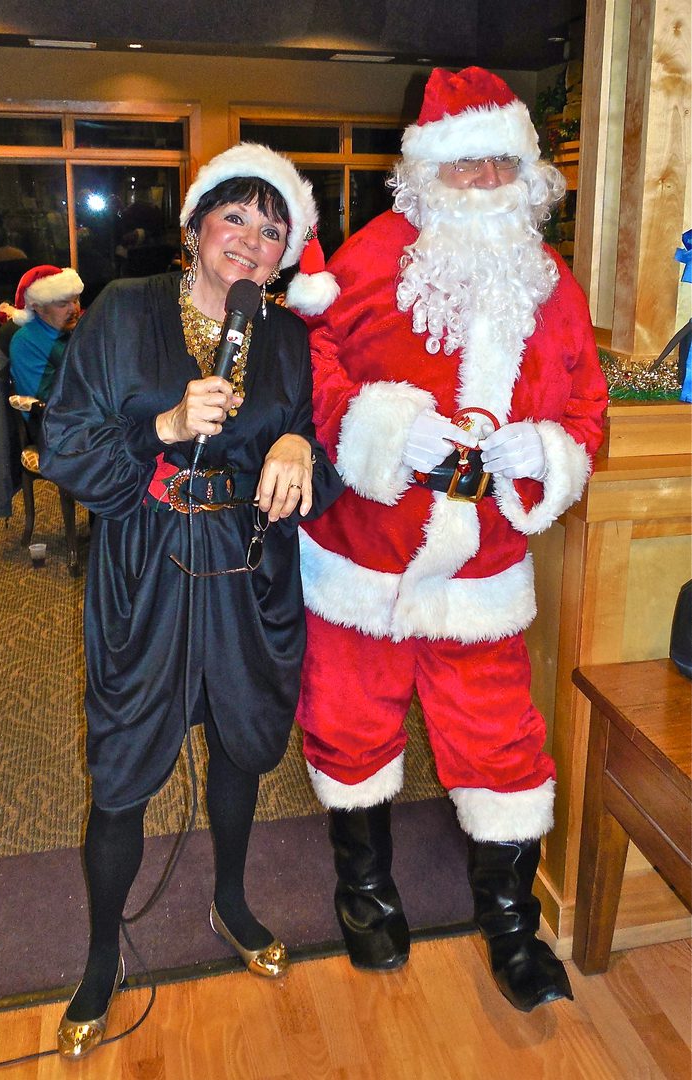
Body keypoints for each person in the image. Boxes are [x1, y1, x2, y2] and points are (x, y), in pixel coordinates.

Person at [293, 67, 609, 1012]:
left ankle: (512, 928)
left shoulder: (548, 280)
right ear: (426, 171)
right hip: (365, 561)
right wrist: (377, 422)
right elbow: (308, 364)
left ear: (526, 172)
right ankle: (365, 891)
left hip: (482, 571)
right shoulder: (369, 255)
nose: (480, 179)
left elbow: (588, 408)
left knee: (503, 748)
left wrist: (546, 450)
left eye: (498, 163)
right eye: (461, 162)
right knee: (349, 732)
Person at [39, 142, 344, 1060]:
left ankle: (233, 900)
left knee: (242, 738)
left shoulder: (285, 336)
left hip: (249, 570)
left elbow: (311, 465)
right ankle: (100, 958)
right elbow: (63, 442)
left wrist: (299, 453)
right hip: (149, 561)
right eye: (236, 218)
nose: (252, 240)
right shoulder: (127, 313)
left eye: (272, 227)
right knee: (127, 762)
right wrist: (162, 426)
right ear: (196, 229)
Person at [0, 264, 83, 401]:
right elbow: (47, 399)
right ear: (39, 308)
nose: (73, 309)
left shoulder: (74, 331)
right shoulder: (27, 342)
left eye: (75, 301)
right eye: (63, 304)